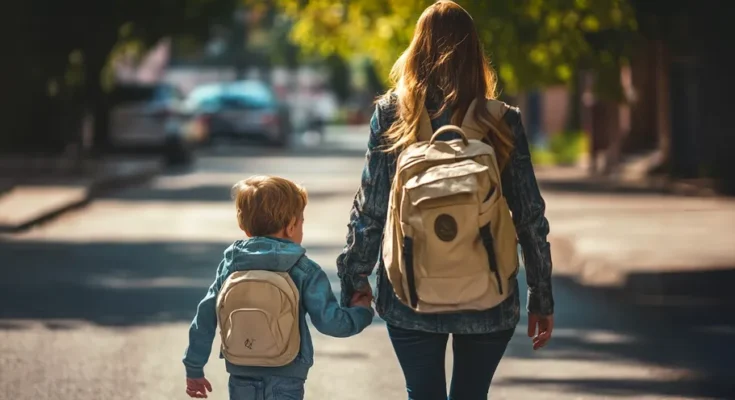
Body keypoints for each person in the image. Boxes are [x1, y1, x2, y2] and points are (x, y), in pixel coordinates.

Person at [336, 1, 555, 399]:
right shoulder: (501, 120)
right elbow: (529, 216)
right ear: (476, 53)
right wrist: (541, 294)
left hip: (410, 295)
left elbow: (371, 208)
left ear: (416, 50)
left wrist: (354, 280)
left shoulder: (392, 115)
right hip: (489, 296)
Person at [183, 175, 374, 400]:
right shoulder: (304, 270)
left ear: (243, 226)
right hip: (287, 372)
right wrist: (361, 312)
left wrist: (194, 367)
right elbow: (330, 322)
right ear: (292, 226)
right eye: (302, 221)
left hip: (241, 369)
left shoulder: (231, 265)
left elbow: (205, 317)